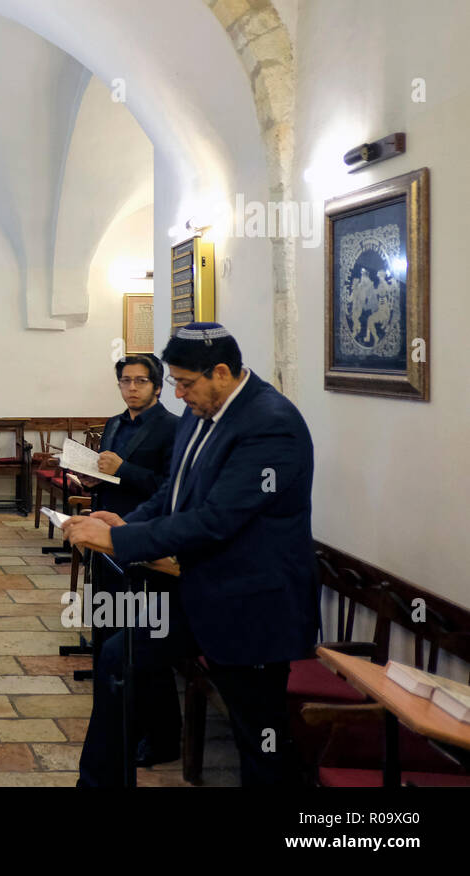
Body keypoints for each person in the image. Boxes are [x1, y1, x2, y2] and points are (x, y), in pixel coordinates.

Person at [66, 323, 317, 787]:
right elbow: (175, 494)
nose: (177, 393)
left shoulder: (270, 424)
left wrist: (120, 544)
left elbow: (218, 518)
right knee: (119, 659)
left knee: (260, 737)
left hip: (252, 602)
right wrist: (127, 522)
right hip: (199, 591)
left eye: (184, 382)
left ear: (221, 372)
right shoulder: (203, 413)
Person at [78, 353, 180, 766]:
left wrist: (124, 469)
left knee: (140, 647)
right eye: (125, 381)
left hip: (145, 545)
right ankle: (117, 722)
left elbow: (170, 489)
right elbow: (108, 476)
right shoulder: (114, 424)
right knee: (108, 636)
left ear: (157, 386)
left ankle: (159, 737)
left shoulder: (173, 428)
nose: (132, 388)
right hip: (108, 541)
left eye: (140, 381)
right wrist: (92, 478)